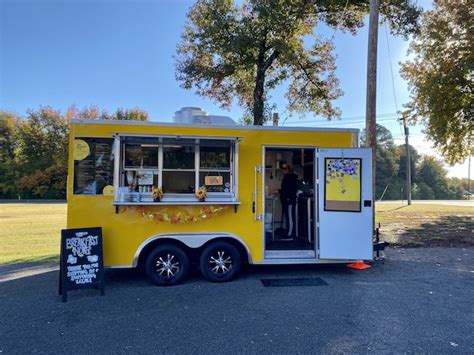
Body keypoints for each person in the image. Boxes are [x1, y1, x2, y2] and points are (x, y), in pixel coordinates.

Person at [279, 163, 298, 239]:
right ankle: (288, 232)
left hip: (289, 200)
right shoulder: (290, 177)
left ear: (288, 170)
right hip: (287, 200)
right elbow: (286, 189)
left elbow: (289, 189)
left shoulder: (289, 178)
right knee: (288, 217)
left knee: (289, 217)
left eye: (284, 169)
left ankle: (290, 234)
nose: (283, 171)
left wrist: (287, 197)